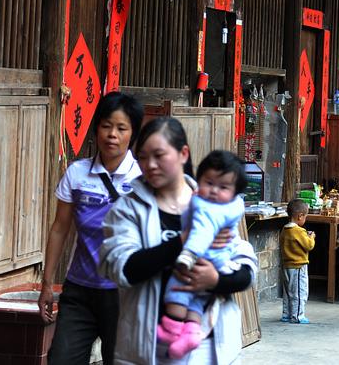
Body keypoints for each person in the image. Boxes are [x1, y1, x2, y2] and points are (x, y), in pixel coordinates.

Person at [99, 116, 257, 365]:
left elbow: (246, 270)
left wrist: (216, 280)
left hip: (209, 346)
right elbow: (121, 268)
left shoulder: (217, 203)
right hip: (147, 347)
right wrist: (184, 241)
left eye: (159, 155)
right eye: (142, 157)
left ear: (183, 154)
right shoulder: (127, 209)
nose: (150, 165)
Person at [38, 90, 144, 365]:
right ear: (96, 128)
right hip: (79, 292)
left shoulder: (145, 180)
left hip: (125, 295)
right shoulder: (77, 173)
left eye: (121, 128)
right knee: (61, 359)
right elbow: (60, 228)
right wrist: (47, 284)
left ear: (132, 134)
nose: (112, 134)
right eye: (106, 126)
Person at [158, 150, 247, 358]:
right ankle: (190, 332)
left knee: (178, 289)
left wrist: (188, 256)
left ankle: (172, 329)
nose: (214, 191)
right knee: (196, 300)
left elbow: (201, 234)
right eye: (209, 183)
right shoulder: (229, 207)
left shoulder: (208, 208)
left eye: (223, 187)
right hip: (215, 264)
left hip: (197, 261)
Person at [279, 198, 315, 324]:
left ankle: (286, 314)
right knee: (300, 292)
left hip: (286, 265)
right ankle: (298, 316)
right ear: (300, 216)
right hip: (298, 266)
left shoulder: (285, 229)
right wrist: (311, 236)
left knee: (288, 292)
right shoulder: (299, 231)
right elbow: (309, 245)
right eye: (305, 216)